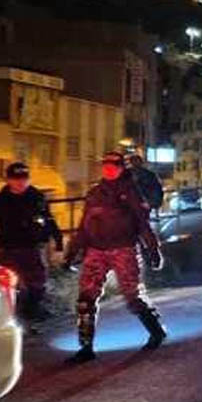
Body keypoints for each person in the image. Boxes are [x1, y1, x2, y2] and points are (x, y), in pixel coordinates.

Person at [63, 152, 166, 363]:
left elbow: (142, 223)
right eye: (106, 165)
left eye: (114, 165)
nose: (109, 168)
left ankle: (156, 331)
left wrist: (153, 249)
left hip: (124, 248)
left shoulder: (131, 192)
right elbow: (84, 226)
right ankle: (86, 347)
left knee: (133, 296)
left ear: (121, 168)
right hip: (96, 249)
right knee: (85, 300)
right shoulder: (95, 193)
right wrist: (71, 254)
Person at [0, 162, 63, 322]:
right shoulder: (2, 199)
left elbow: (48, 218)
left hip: (32, 247)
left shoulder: (37, 197)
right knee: (8, 283)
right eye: (16, 179)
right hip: (8, 248)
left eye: (24, 178)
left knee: (37, 282)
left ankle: (32, 312)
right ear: (9, 179)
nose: (21, 182)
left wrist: (58, 239)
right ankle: (12, 314)